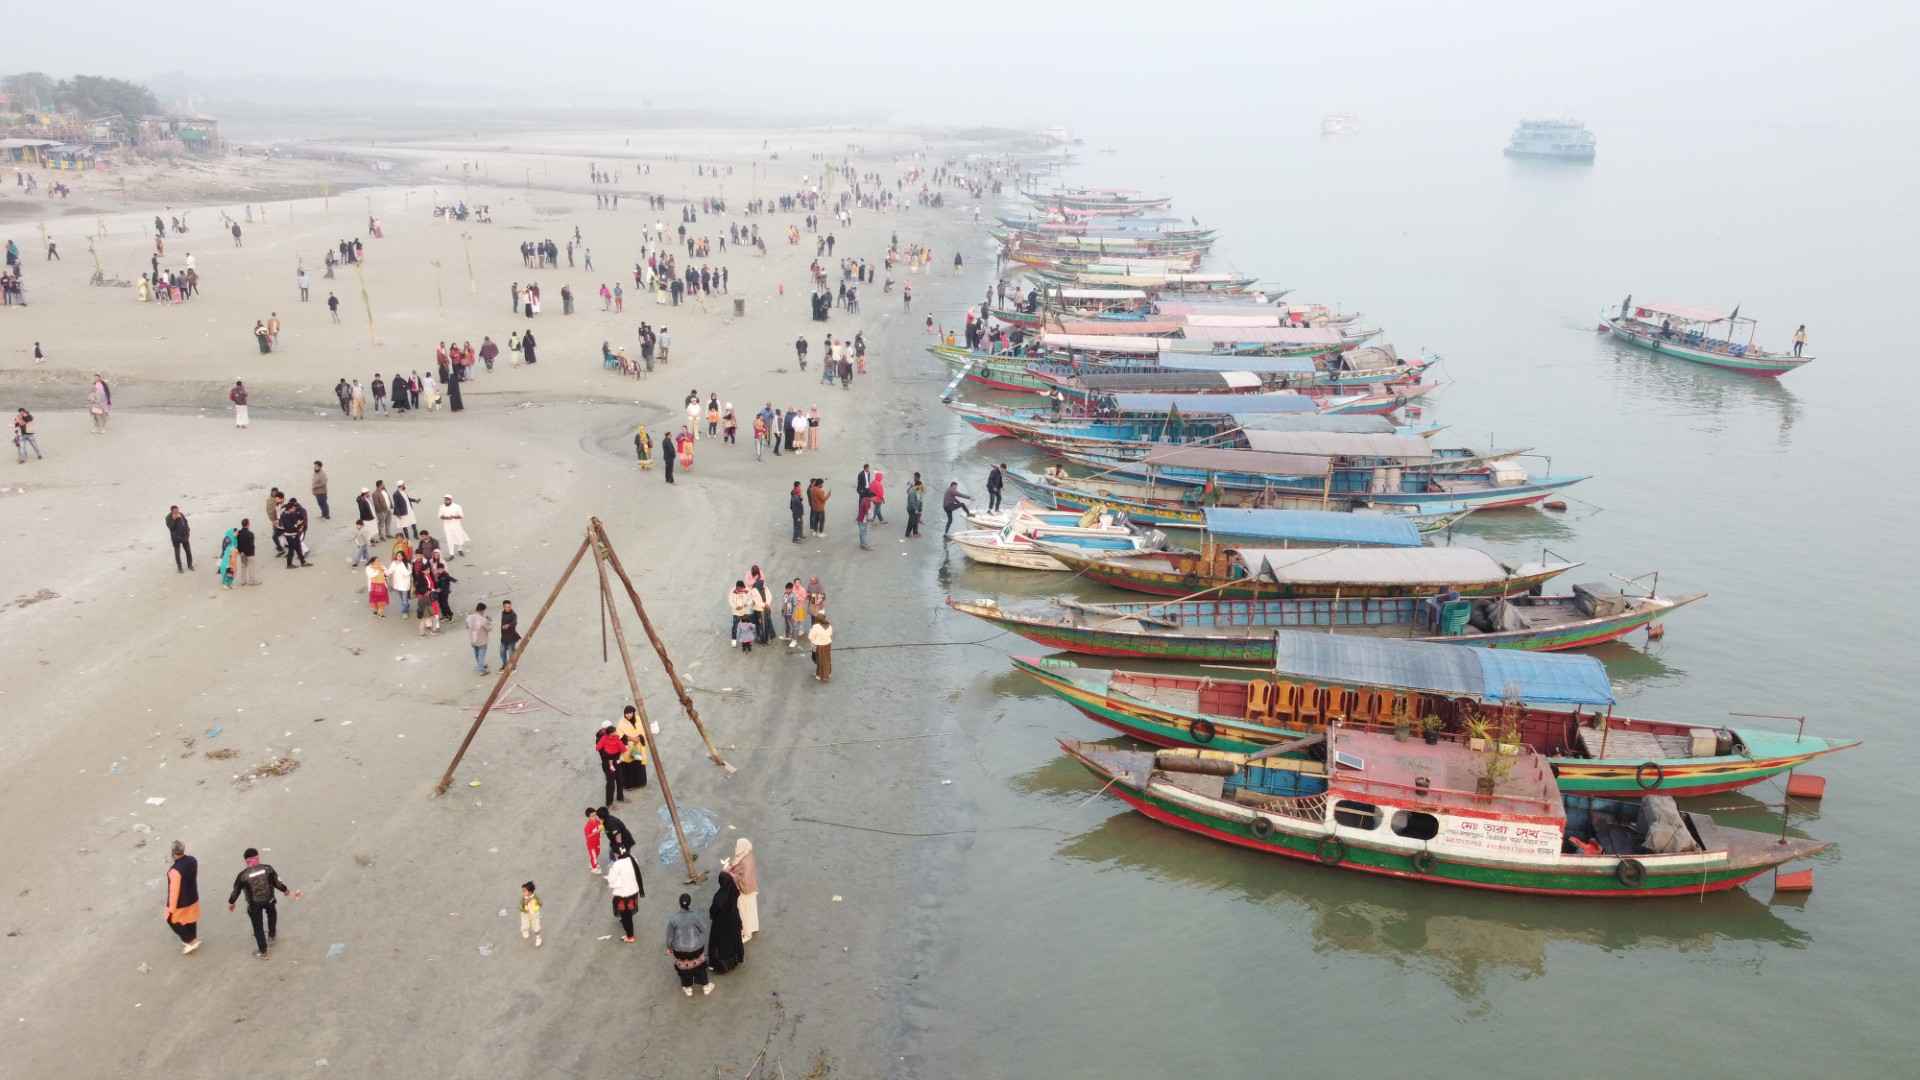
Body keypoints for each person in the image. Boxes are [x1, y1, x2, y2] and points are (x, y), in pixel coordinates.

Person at [227, 847, 300, 958]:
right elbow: (277, 882)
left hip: (254, 903)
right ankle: (272, 935)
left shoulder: (243, 876)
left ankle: (263, 951)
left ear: (246, 861)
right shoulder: (267, 869)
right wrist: (286, 891)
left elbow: (236, 891)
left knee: (258, 926)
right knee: (272, 914)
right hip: (269, 899)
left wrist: (231, 902)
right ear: (258, 857)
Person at [666, 894, 713, 996]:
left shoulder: (673, 919)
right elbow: (703, 929)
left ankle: (687, 988)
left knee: (684, 969)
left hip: (679, 951)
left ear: (679, 903)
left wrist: (669, 948)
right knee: (700, 967)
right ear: (690, 903)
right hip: (696, 948)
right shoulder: (695, 916)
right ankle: (705, 986)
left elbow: (669, 937)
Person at [165, 840, 202, 955]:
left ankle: (189, 941)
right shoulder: (192, 860)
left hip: (181, 902)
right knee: (191, 918)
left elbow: (174, 892)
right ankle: (194, 938)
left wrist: (171, 909)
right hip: (193, 896)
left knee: (171, 920)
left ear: (173, 853)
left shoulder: (174, 871)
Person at [722, 837, 761, 942]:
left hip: (745, 891)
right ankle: (753, 927)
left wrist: (730, 873)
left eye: (737, 846)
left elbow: (744, 878)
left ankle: (747, 934)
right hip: (751, 888)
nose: (736, 848)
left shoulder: (744, 861)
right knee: (751, 911)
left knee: (744, 912)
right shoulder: (747, 854)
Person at [706, 872, 746, 974]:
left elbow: (713, 911)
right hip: (733, 920)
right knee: (734, 941)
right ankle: (735, 960)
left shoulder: (719, 897)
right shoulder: (733, 890)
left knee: (721, 945)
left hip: (721, 925)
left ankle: (723, 966)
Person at [606, 847, 644, 943]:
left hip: (623, 895)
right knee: (628, 913)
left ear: (617, 854)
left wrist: (617, 881)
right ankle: (627, 927)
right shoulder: (633, 858)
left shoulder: (616, 865)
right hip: (633, 891)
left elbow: (611, 880)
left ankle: (630, 936)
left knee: (625, 915)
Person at [615, 704, 649, 791]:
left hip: (638, 747)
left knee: (638, 765)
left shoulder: (638, 719)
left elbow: (643, 730)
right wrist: (633, 739)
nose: (628, 715)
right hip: (628, 749)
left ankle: (640, 783)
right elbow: (621, 736)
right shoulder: (621, 723)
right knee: (628, 767)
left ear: (633, 713)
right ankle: (628, 785)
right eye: (627, 713)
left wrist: (639, 738)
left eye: (630, 713)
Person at [597, 724, 627, 805]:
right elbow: (601, 752)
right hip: (607, 763)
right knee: (611, 783)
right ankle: (609, 803)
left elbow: (622, 747)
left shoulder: (615, 737)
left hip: (616, 761)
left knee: (620, 779)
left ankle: (620, 797)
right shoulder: (601, 738)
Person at [465, 603, 492, 674]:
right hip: (481, 640)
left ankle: (480, 665)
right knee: (481, 654)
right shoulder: (483, 619)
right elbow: (489, 628)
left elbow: (467, 626)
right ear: (482, 610)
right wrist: (489, 620)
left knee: (476, 653)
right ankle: (482, 670)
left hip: (473, 639)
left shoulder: (469, 617)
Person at [165, 506, 194, 572]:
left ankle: (190, 565)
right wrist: (174, 520)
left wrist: (188, 532)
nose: (177, 512)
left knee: (188, 551)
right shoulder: (168, 517)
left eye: (177, 510)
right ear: (172, 511)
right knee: (177, 553)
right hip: (176, 539)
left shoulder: (181, 514)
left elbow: (186, 523)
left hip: (184, 537)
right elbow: (171, 528)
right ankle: (180, 568)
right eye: (175, 511)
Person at [808, 616, 833, 682]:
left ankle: (820, 675)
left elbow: (811, 637)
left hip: (819, 646)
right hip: (827, 645)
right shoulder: (829, 625)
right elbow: (830, 634)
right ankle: (828, 673)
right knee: (827, 659)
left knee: (820, 661)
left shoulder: (816, 627)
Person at [235, 518, 259, 586]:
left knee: (243, 566)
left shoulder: (238, 533)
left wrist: (241, 552)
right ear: (248, 524)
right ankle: (252, 581)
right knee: (251, 566)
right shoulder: (250, 533)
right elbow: (251, 544)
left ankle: (243, 581)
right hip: (250, 553)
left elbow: (238, 543)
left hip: (242, 553)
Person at [519, 881, 543, 948]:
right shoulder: (523, 899)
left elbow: (541, 903)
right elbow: (520, 907)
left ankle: (538, 938)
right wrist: (525, 903)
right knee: (525, 925)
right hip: (525, 914)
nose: (523, 893)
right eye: (523, 891)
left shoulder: (535, 897)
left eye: (524, 891)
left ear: (530, 892)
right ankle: (525, 930)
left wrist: (537, 907)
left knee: (536, 927)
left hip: (534, 915)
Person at [498, 600, 520, 668]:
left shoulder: (513, 614)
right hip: (504, 637)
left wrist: (508, 625)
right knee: (502, 652)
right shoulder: (503, 613)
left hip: (512, 637)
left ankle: (513, 666)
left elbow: (515, 622)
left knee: (511, 652)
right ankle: (505, 664)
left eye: (509, 606)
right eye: (507, 607)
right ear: (504, 607)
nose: (508, 608)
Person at [904, 472, 926, 538]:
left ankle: (915, 533)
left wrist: (919, 508)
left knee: (915, 520)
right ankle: (907, 534)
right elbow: (912, 502)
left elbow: (920, 498)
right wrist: (916, 509)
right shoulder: (913, 492)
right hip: (912, 509)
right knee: (911, 521)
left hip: (915, 507)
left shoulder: (916, 490)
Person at [583, 807, 604, 873]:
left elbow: (601, 828)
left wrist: (601, 827)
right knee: (594, 856)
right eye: (592, 816)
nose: (594, 817)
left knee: (597, 853)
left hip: (597, 842)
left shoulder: (597, 822)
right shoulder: (587, 826)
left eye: (595, 815)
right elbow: (588, 836)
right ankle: (594, 868)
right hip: (591, 844)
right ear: (589, 817)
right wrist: (596, 832)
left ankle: (592, 863)